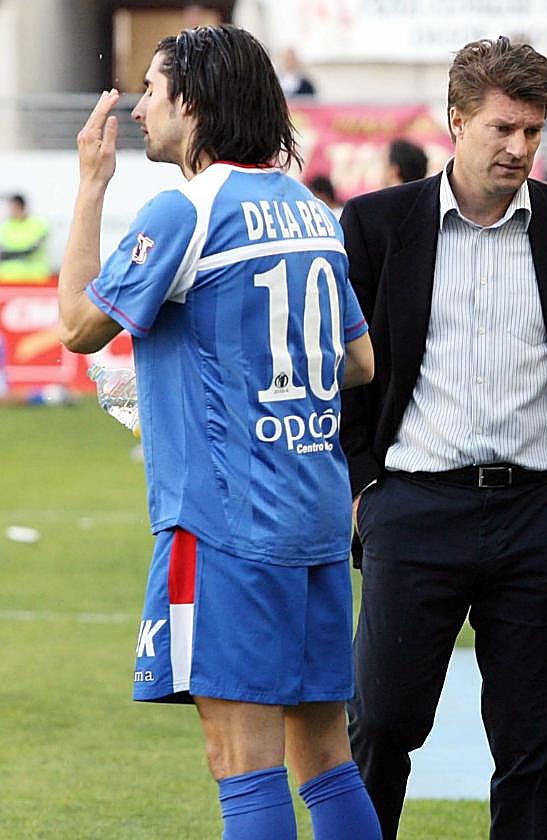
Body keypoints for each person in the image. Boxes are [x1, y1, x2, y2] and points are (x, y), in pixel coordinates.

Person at [339, 37, 547, 840]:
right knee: (381, 721)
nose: (520, 147)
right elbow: (339, 363)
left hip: (540, 513)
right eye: (502, 128)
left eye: (533, 129)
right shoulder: (378, 223)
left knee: (534, 741)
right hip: (413, 507)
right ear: (457, 122)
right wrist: (362, 483)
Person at [55, 25, 379, 840]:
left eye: (152, 91)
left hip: (225, 523)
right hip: (313, 515)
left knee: (242, 760)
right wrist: (215, 376)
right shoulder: (310, 210)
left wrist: (90, 184)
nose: (138, 110)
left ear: (194, 104)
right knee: (326, 756)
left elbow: (78, 326)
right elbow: (358, 362)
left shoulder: (185, 209)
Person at [0, 194, 52, 283]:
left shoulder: (39, 225)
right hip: (7, 278)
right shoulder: (4, 226)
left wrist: (9, 254)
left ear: (22, 206)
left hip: (34, 278)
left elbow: (33, 250)